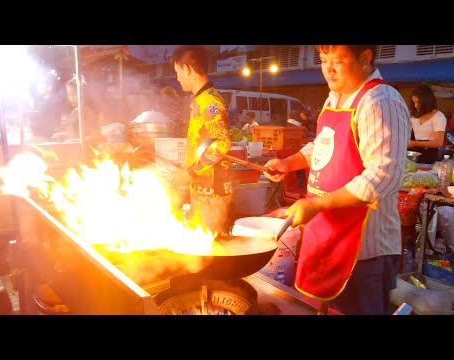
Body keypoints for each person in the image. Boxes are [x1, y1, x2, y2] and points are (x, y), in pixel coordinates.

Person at [263, 45, 410, 315]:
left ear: (364, 58)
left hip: (363, 248)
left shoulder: (380, 100)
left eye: (338, 61)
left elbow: (383, 175)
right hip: (327, 234)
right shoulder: (335, 98)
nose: (328, 69)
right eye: (323, 60)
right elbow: (324, 147)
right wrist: (289, 163)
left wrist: (318, 205)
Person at [169, 45, 232, 235]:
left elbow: (222, 143)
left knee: (210, 251)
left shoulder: (209, 102)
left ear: (187, 69)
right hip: (203, 187)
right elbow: (204, 141)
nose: (177, 77)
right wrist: (187, 164)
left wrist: (190, 171)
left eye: (177, 71)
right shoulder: (200, 98)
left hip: (212, 192)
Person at [52, 76, 100, 142]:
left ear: (83, 94)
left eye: (74, 94)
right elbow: (76, 133)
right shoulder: (75, 111)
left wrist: (73, 142)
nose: (71, 98)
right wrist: (63, 135)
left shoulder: (87, 111)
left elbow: (94, 136)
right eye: (69, 95)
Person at [407, 84, 447, 164]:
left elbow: (438, 142)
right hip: (414, 154)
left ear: (427, 101)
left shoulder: (438, 117)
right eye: (414, 102)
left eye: (418, 102)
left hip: (430, 156)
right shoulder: (415, 115)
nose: (415, 106)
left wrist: (414, 143)